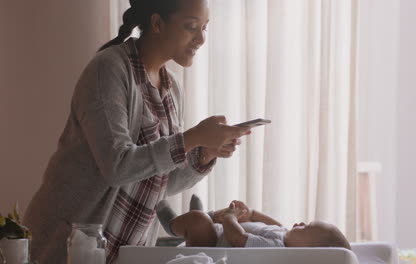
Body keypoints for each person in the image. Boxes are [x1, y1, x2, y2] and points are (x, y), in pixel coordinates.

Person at [23, 0, 251, 263]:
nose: (201, 39)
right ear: (156, 23)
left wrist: (203, 154)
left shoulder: (172, 89)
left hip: (128, 252)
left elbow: (158, 181)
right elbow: (118, 167)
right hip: (68, 248)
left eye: (205, 28)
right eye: (191, 27)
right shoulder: (108, 70)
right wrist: (192, 138)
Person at [156, 196, 351, 249]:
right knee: (224, 215)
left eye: (306, 226)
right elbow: (263, 219)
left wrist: (230, 218)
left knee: (200, 221)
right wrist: (251, 213)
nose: (300, 222)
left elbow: (238, 238)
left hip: (211, 244)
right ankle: (197, 216)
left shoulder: (276, 247)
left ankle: (173, 226)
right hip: (217, 231)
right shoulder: (283, 233)